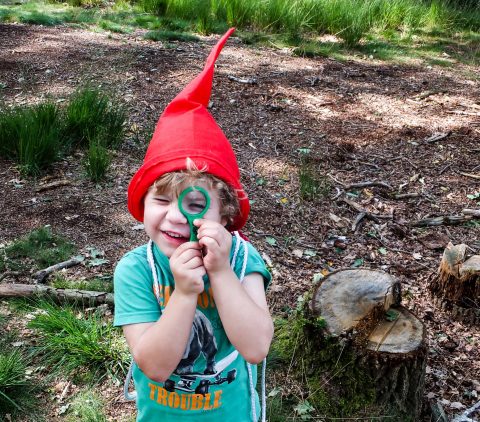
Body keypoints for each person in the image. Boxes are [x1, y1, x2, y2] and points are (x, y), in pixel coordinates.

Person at [114, 28, 273, 421]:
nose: (174, 215)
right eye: (160, 200)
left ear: (226, 214)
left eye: (195, 205)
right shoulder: (136, 271)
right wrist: (184, 294)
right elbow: (153, 365)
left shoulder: (239, 258)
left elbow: (255, 348)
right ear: (143, 204)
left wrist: (219, 272)